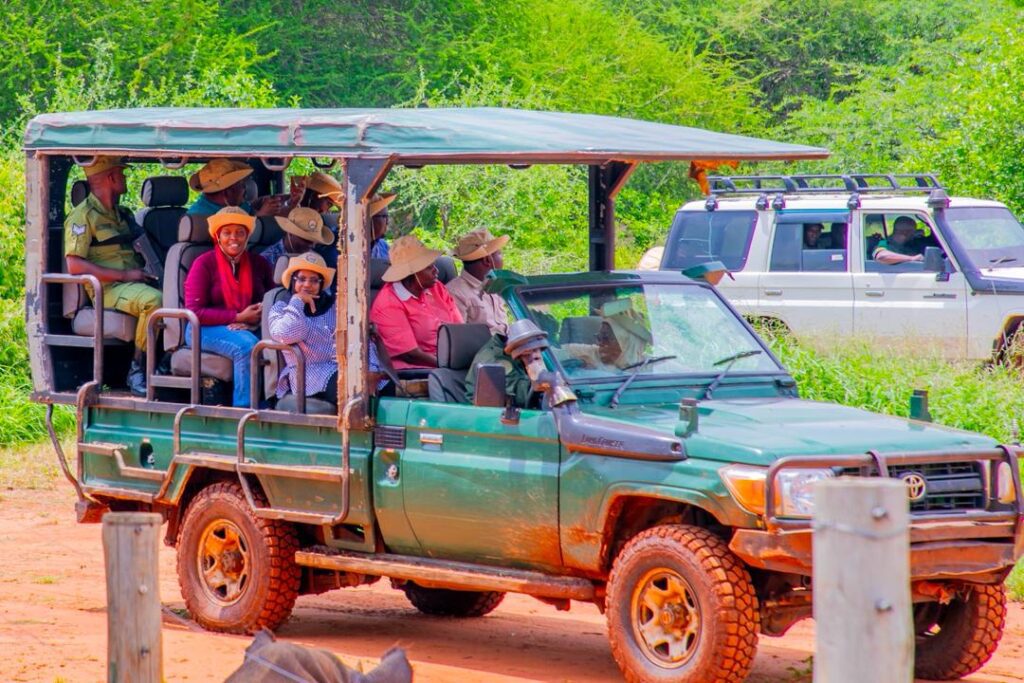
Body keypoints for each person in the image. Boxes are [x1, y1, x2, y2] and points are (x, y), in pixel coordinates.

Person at [64, 156, 160, 396]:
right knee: (154, 302)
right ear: (110, 177)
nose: (125, 178)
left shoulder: (123, 214)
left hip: (132, 281)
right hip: (107, 289)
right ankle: (138, 368)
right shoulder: (83, 216)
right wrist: (125, 275)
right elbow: (74, 264)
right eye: (121, 174)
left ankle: (166, 365)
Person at [183, 207, 276, 407]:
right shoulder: (203, 263)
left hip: (249, 325)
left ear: (247, 236)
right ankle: (244, 409)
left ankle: (274, 401)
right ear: (218, 236)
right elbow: (195, 312)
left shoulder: (259, 263)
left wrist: (255, 320)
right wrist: (238, 317)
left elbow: (272, 299)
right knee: (247, 346)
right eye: (227, 232)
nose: (234, 238)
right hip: (201, 328)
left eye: (240, 232)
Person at [370, 235, 463, 369]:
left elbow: (459, 329)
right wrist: (448, 365)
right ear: (412, 273)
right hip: (418, 369)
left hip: (450, 362)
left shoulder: (437, 288)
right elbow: (411, 354)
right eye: (429, 267)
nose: (436, 271)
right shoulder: (388, 303)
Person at [268, 252, 341, 405]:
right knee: (346, 386)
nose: (307, 285)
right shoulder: (280, 307)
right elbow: (287, 334)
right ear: (292, 281)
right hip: (306, 372)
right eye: (301, 279)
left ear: (321, 284)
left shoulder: (334, 306)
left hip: (338, 366)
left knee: (382, 384)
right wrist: (297, 301)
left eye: (314, 280)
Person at [464, 320, 548, 407]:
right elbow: (518, 395)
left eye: (537, 349)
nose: (535, 353)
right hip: (483, 411)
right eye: (531, 349)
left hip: (512, 409)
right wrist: (533, 368)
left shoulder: (516, 353)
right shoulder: (495, 360)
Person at [446, 228, 510, 335]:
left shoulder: (493, 284)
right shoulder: (455, 293)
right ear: (487, 260)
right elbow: (460, 338)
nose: (502, 258)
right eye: (499, 254)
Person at [559, 300, 651, 372]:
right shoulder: (590, 353)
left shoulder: (650, 367)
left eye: (606, 338)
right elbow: (554, 352)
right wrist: (580, 363)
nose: (599, 343)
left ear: (626, 343)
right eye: (599, 337)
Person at [187, 158, 283, 216]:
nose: (245, 190)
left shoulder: (236, 204)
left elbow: (248, 212)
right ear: (227, 192)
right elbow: (232, 236)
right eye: (242, 185)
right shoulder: (199, 216)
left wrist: (258, 205)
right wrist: (262, 215)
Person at [260, 207, 338, 271]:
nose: (312, 245)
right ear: (290, 233)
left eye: (314, 241)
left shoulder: (316, 258)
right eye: (306, 240)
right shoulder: (267, 260)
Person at [369, 193, 397, 261]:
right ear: (371, 219)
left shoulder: (384, 247)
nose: (387, 222)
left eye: (387, 217)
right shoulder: (352, 248)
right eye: (384, 216)